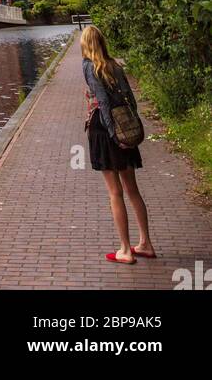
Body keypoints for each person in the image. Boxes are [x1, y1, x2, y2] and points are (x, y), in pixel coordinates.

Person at [80, 24, 155, 264]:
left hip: (104, 132)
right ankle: (145, 243)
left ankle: (125, 249)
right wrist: (129, 132)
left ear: (85, 45)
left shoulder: (88, 66)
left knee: (115, 193)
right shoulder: (115, 65)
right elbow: (130, 100)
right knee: (133, 190)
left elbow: (102, 102)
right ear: (102, 42)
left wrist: (113, 135)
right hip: (125, 131)